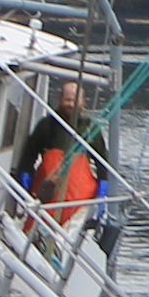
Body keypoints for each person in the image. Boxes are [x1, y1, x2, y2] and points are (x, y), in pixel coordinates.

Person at [19, 82, 102, 228]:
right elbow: (27, 159)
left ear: (83, 102)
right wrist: (25, 186)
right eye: (67, 100)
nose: (71, 104)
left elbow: (104, 166)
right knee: (35, 228)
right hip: (47, 198)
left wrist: (102, 194)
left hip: (78, 206)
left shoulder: (91, 128)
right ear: (60, 100)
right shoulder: (46, 126)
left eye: (75, 100)